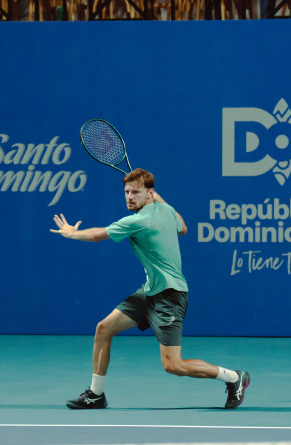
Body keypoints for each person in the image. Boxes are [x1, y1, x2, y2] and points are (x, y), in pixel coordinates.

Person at [50, 168, 250, 410]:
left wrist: (72, 233)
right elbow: (183, 227)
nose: (129, 197)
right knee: (103, 329)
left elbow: (96, 236)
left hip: (169, 295)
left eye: (135, 192)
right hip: (150, 291)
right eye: (126, 192)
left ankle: (234, 377)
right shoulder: (165, 210)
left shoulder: (137, 221)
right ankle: (96, 394)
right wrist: (153, 196)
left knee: (173, 365)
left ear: (149, 193)